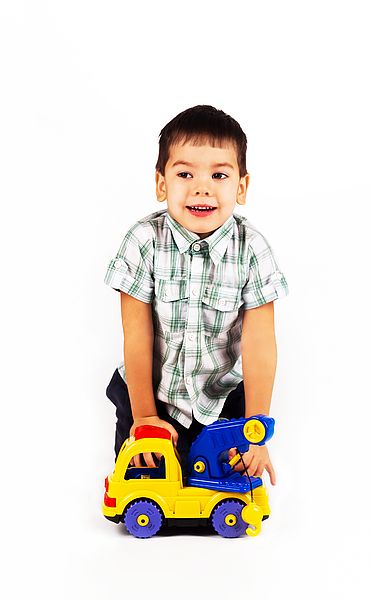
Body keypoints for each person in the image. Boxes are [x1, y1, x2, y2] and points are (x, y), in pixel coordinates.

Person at [104, 105, 288, 485]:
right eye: (185, 173)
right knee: (144, 491)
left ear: (241, 187)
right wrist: (144, 417)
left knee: (225, 494)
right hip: (152, 393)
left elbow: (260, 343)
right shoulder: (143, 241)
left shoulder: (252, 249)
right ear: (161, 184)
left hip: (221, 399)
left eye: (219, 174)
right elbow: (136, 335)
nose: (202, 187)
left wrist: (256, 426)